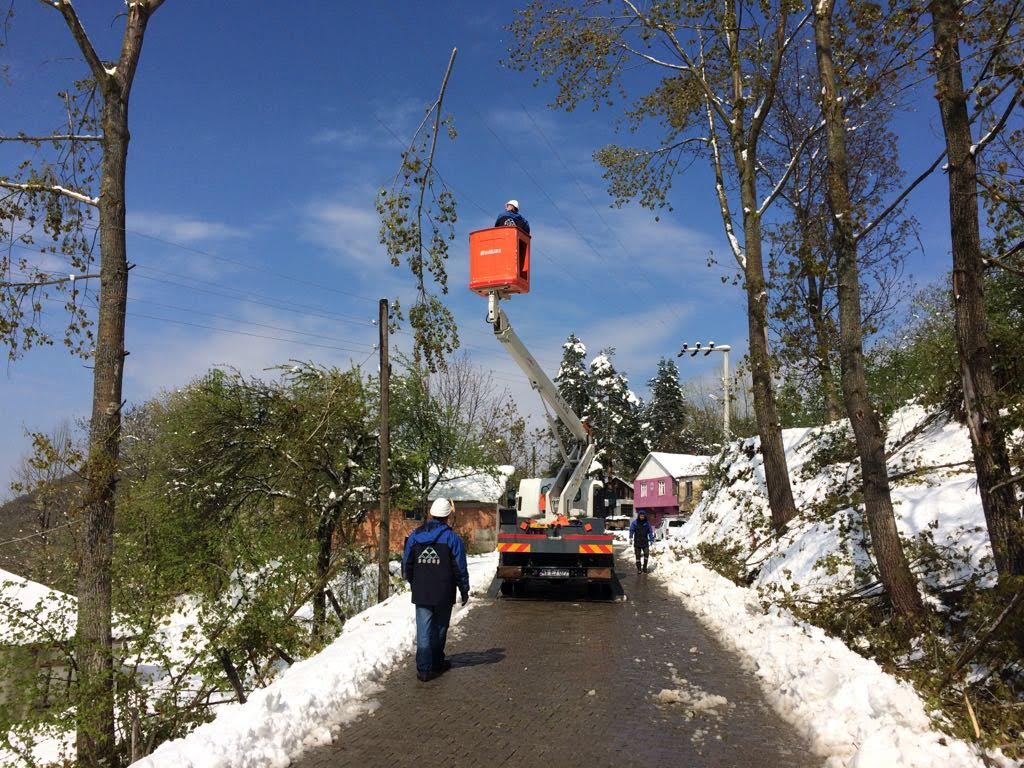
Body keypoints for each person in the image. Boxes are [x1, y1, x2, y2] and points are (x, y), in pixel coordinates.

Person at [402, 497, 470, 682]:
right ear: (448, 516)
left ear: (431, 514)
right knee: (440, 628)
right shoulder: (452, 539)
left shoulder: (415, 536)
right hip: (444, 591)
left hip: (422, 591)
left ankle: (424, 670)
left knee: (423, 630)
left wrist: (413, 581)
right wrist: (464, 589)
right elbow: (459, 567)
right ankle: (437, 662)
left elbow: (407, 563)